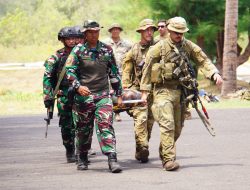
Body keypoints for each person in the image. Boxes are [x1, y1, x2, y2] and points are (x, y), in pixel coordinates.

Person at [140, 17, 223, 171]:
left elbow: (203, 59)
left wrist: (214, 73)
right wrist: (144, 92)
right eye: (176, 32)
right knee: (168, 124)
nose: (179, 35)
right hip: (162, 91)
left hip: (181, 93)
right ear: (170, 31)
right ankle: (168, 160)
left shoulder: (187, 45)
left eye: (182, 32)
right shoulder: (159, 47)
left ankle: (164, 150)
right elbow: (147, 68)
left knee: (177, 128)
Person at [65, 20, 123, 173]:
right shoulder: (77, 50)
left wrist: (119, 92)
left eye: (96, 31)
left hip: (103, 95)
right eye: (90, 32)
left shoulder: (107, 50)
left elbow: (114, 73)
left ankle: (112, 159)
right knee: (83, 130)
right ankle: (82, 157)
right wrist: (78, 87)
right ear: (85, 33)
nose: (94, 34)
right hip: (84, 97)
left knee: (106, 125)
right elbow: (69, 72)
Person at [122, 19, 157, 163]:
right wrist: (126, 90)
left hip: (155, 91)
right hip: (138, 91)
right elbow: (126, 71)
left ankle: (140, 149)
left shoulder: (159, 47)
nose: (150, 32)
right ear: (141, 32)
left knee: (149, 123)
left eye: (152, 30)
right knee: (141, 119)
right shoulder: (134, 50)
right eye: (147, 30)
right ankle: (143, 147)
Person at [43, 26, 77, 163]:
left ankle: (82, 150)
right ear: (62, 40)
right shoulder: (55, 58)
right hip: (64, 96)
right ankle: (70, 150)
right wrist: (48, 97)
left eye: (74, 38)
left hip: (79, 94)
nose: (71, 41)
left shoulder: (81, 54)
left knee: (82, 124)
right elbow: (47, 79)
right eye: (68, 38)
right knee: (67, 126)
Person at [104, 23, 132, 122]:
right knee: (109, 93)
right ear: (110, 31)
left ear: (120, 31)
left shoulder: (127, 44)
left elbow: (131, 56)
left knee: (119, 92)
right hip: (108, 72)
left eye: (117, 29)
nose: (115, 31)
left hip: (121, 72)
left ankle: (117, 112)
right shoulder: (105, 43)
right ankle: (109, 112)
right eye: (113, 29)